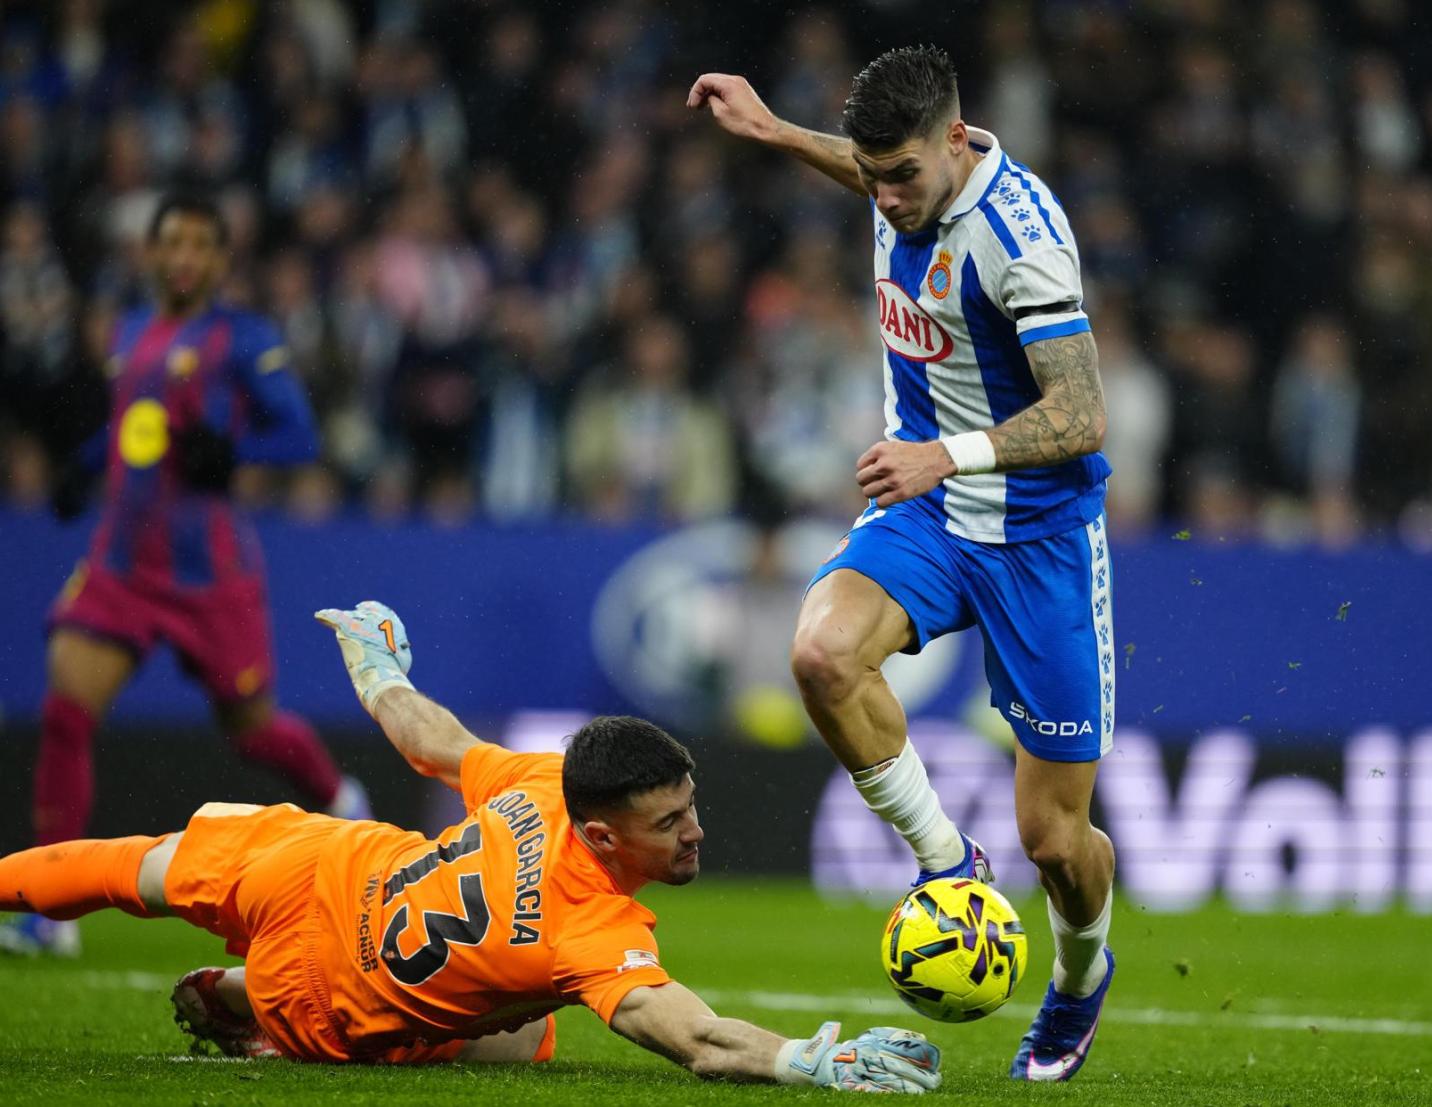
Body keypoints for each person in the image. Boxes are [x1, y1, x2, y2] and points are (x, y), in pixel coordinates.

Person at [0, 601, 944, 1092]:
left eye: (690, 805)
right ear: (603, 833)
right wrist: (814, 1060)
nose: (697, 829)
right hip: (326, 1000)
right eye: (670, 822)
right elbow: (696, 1039)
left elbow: (427, 738)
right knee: (531, 1033)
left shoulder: (544, 780)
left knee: (123, 866)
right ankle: (248, 1005)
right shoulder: (588, 931)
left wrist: (373, 664)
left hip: (322, 866)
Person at [689, 46, 1117, 1081]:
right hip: (927, 519)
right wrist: (781, 133)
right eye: (871, 175)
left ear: (959, 144)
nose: (883, 198)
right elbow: (873, 167)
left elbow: (1081, 412)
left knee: (1057, 844)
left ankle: (1077, 977)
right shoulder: (902, 179)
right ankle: (945, 865)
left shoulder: (1024, 238)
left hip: (1036, 537)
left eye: (901, 177)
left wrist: (945, 453)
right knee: (823, 656)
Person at [3, 194, 368, 958]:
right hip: (122, 562)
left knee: (253, 730)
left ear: (219, 260)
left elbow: (299, 437)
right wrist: (84, 465)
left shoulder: (245, 338)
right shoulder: (132, 332)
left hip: (209, 572)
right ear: (152, 252)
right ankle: (53, 914)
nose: (182, 257)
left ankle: (340, 797)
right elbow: (133, 424)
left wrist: (236, 454)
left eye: (199, 245)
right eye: (171, 242)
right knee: (69, 707)